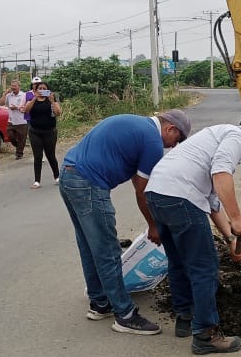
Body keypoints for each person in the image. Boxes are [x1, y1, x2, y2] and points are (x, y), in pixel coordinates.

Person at [59, 110, 192, 335]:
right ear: (170, 128)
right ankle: (125, 315)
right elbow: (143, 192)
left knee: (90, 246)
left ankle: (100, 303)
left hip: (69, 175)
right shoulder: (152, 141)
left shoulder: (137, 125)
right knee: (108, 251)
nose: (173, 146)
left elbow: (137, 178)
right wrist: (154, 226)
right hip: (89, 183)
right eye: (176, 139)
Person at [144, 115, 241, 355]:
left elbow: (212, 203)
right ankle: (205, 335)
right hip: (181, 196)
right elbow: (221, 173)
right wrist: (237, 217)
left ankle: (184, 317)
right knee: (204, 267)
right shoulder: (238, 137)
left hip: (156, 194)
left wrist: (230, 239)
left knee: (178, 261)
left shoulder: (212, 137)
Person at [23, 79, 61, 189]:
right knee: (38, 156)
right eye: (40, 88)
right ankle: (37, 181)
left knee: (51, 155)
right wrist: (34, 98)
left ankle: (57, 177)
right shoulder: (32, 100)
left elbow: (58, 113)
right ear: (35, 90)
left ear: (48, 90)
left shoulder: (51, 99)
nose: (42, 90)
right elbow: (26, 110)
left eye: (45, 89)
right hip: (35, 132)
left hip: (50, 132)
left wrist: (52, 101)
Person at [0, 79, 28, 159]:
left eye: (15, 86)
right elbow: (1, 103)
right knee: (10, 136)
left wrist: (16, 108)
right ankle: (19, 146)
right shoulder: (9, 95)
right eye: (12, 86)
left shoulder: (24, 95)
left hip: (22, 120)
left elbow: (26, 107)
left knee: (22, 139)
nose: (13, 87)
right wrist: (5, 93)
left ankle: (19, 154)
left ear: (19, 86)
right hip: (11, 121)